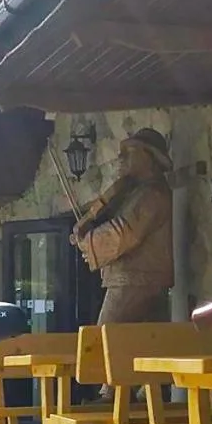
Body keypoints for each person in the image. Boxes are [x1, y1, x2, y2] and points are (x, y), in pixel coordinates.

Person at [71, 128, 174, 327]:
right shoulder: (137, 193)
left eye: (130, 152)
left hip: (136, 282)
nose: (121, 157)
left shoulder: (152, 195)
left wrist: (89, 243)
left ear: (148, 157)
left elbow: (123, 232)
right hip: (139, 280)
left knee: (106, 336)